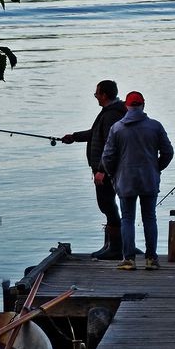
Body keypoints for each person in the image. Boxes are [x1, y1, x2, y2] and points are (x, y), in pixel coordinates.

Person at [101, 91, 174, 271]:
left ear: (127, 106)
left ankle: (129, 260)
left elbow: (107, 157)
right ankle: (151, 259)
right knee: (150, 217)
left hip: (125, 180)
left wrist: (113, 175)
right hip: (149, 178)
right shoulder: (155, 127)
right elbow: (168, 152)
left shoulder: (117, 128)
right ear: (143, 105)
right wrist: (157, 167)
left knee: (127, 219)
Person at [61, 80, 127, 260]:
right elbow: (95, 133)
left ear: (104, 95)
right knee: (111, 205)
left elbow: (109, 144)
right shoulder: (110, 113)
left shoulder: (111, 115)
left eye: (97, 93)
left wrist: (101, 170)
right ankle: (120, 246)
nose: (96, 96)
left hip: (105, 170)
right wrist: (74, 137)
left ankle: (116, 249)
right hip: (107, 168)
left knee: (107, 205)